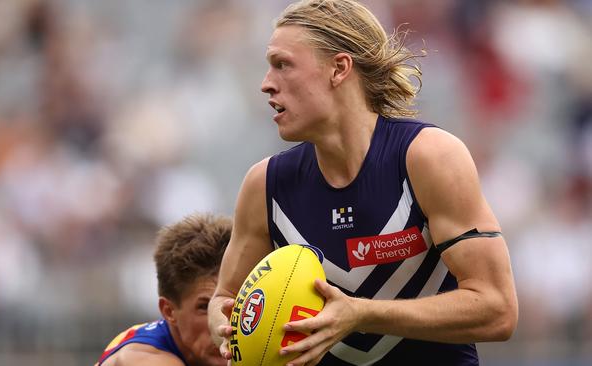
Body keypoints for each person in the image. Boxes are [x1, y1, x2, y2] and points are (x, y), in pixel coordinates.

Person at [208, 1, 518, 365]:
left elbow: (498, 309)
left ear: (339, 69)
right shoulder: (264, 185)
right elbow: (223, 298)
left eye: (283, 65)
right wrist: (223, 323)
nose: (265, 84)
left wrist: (362, 314)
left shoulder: (427, 157)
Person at [96, 213, 231, 366]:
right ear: (168, 311)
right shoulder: (142, 358)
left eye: (230, 302)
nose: (222, 323)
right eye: (204, 307)